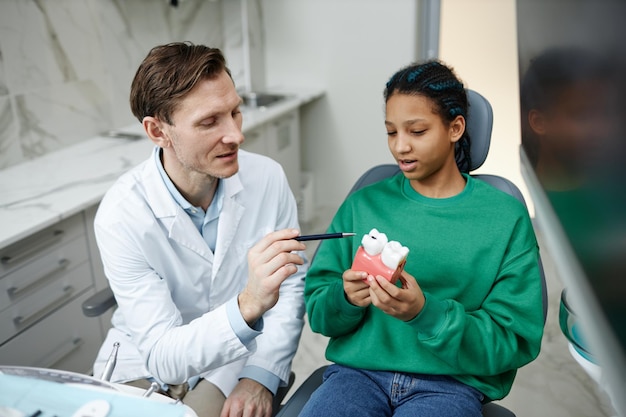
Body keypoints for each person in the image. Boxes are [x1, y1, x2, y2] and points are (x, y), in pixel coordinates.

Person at [300, 61, 544, 417]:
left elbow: (514, 340)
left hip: (451, 385)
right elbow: (319, 313)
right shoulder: (363, 204)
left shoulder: (504, 218)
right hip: (357, 376)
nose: (400, 147)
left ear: (455, 127)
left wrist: (426, 314)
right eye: (391, 132)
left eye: (416, 131)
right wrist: (346, 298)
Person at [91, 42, 307, 417]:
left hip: (235, 362)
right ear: (158, 131)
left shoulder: (267, 178)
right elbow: (162, 356)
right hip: (143, 361)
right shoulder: (121, 213)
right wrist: (248, 304)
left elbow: (289, 287)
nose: (236, 135)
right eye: (210, 122)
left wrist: (260, 375)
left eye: (235, 113)